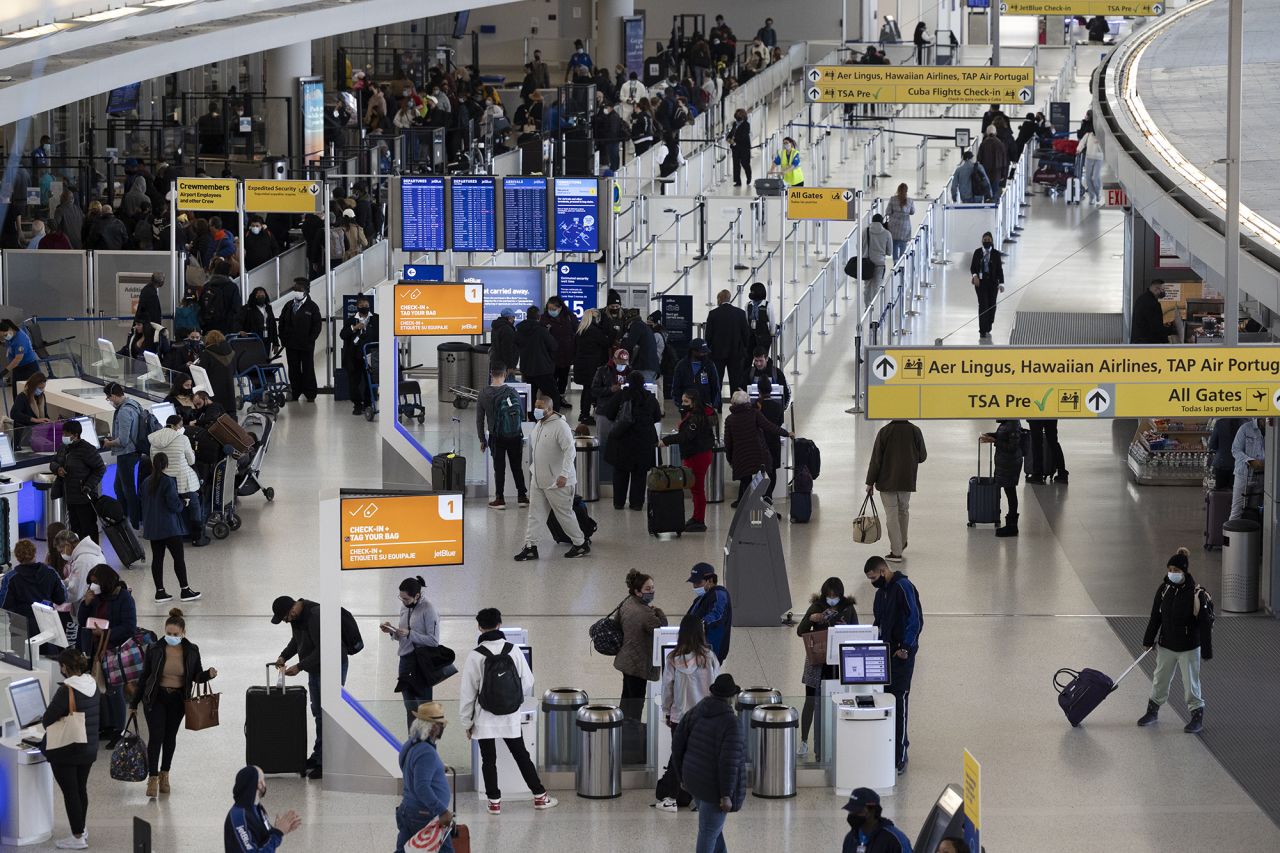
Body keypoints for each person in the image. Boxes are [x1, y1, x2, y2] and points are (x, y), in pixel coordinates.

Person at [459, 608, 558, 815]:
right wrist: (511, 700)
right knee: (521, 755)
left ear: (479, 627)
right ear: (499, 624)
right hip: (510, 717)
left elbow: (467, 693)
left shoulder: (475, 655)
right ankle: (540, 796)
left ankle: (494, 802)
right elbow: (528, 681)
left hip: (484, 718)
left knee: (488, 760)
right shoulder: (513, 650)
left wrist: (467, 724)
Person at [131, 607, 216, 798]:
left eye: (175, 634)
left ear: (183, 633)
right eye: (168, 633)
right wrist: (133, 703)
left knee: (170, 737)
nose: (171, 636)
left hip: (178, 700)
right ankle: (152, 778)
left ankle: (165, 773)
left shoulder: (192, 650)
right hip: (155, 697)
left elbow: (196, 676)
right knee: (156, 736)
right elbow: (144, 677)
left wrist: (208, 675)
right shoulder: (154, 648)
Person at [1136, 548, 1212, 734]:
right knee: (1160, 679)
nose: (1172, 573)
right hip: (1166, 644)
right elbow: (1156, 617)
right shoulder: (1164, 589)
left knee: (1191, 684)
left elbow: (1204, 624)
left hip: (1189, 647)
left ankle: (1196, 716)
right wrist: (1148, 639)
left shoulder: (1197, 594)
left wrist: (1207, 651)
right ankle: (1152, 711)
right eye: (1170, 569)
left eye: (1176, 570)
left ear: (1184, 571)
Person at [273, 595, 348, 779]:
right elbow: (296, 641)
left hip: (331, 667)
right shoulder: (297, 618)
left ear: (291, 611)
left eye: (284, 618)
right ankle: (319, 756)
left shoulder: (315, 616)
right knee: (318, 713)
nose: (285, 621)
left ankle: (328, 761)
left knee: (328, 715)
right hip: (315, 668)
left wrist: (299, 666)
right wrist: (284, 656)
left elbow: (324, 649)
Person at [670, 673, 747, 853]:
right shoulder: (731, 723)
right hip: (715, 789)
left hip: (694, 780)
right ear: (731, 697)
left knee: (712, 828)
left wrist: (682, 776)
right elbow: (729, 763)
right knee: (708, 831)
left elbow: (677, 743)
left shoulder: (697, 710)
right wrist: (726, 795)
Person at [863, 556, 923, 774]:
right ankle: (886, 749)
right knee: (884, 701)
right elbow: (878, 624)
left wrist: (906, 647)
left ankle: (900, 755)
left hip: (902, 657)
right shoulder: (881, 594)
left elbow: (915, 620)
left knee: (899, 701)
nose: (872, 582)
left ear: (882, 570)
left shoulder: (904, 587)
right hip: (884, 655)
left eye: (873, 577)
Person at [655, 613, 720, 811]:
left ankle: (670, 798)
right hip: (704, 717)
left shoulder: (674, 658)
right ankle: (702, 800)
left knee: (679, 758)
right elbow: (715, 686)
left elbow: (667, 688)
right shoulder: (709, 658)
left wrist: (667, 710)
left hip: (680, 717)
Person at [514, 393, 591, 560]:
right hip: (539, 478)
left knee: (564, 514)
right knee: (534, 514)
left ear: (550, 409)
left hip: (558, 481)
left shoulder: (560, 426)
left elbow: (570, 452)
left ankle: (580, 544)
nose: (536, 410)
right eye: (535, 406)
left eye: (540, 407)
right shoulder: (538, 425)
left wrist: (563, 474)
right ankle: (530, 546)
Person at [40, 648, 100, 850]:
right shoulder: (92, 684)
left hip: (69, 748)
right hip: (89, 747)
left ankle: (76, 837)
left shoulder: (67, 689)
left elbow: (47, 719)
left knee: (70, 793)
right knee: (80, 789)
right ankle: (82, 829)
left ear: (64, 667)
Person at [796, 578, 858, 758]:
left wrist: (846, 628)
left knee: (835, 701)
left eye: (835, 595)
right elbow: (801, 630)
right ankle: (804, 740)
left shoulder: (848, 608)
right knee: (810, 701)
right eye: (829, 595)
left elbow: (857, 630)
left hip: (837, 663)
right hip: (817, 661)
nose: (832, 598)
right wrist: (811, 618)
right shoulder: (817, 606)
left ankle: (833, 740)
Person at [78, 565, 137, 749]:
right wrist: (85, 604)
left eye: (95, 582)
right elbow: (82, 621)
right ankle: (107, 725)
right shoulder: (95, 598)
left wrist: (105, 632)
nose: (92, 586)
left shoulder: (124, 597)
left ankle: (119, 730)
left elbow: (129, 627)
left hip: (114, 650)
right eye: (91, 583)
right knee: (101, 689)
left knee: (114, 690)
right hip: (96, 650)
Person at [140, 452, 201, 603]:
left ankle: (160, 592)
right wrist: (184, 503)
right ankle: (185, 590)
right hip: (169, 527)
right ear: (166, 465)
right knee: (178, 558)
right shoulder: (167, 481)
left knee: (157, 559)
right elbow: (173, 505)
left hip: (153, 527)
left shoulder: (145, 482)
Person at [865, 419, 928, 561]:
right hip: (907, 479)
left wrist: (870, 482)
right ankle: (902, 541)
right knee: (903, 510)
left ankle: (896, 551)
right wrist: (909, 459)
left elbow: (876, 460)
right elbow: (922, 456)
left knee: (891, 515)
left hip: (887, 481)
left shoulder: (885, 432)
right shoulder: (915, 430)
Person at [599, 372, 662, 511]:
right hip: (644, 441)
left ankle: (619, 502)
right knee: (639, 474)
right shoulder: (650, 398)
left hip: (622, 440)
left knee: (620, 473)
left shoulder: (622, 395)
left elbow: (609, 412)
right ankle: (636, 503)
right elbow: (657, 417)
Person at [383, 576, 440, 728]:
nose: (403, 602)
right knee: (409, 707)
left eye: (406, 599)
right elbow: (403, 635)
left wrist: (409, 634)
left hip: (421, 662)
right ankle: (413, 744)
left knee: (424, 708)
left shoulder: (428, 609)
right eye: (401, 598)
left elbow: (434, 641)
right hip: (405, 660)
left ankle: (427, 746)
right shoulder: (404, 607)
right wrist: (392, 631)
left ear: (417, 595)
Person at [395, 702, 454, 851]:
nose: (443, 729)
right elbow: (421, 787)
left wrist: (438, 767)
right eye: (442, 725)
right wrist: (442, 811)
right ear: (434, 727)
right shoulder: (426, 752)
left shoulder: (411, 744)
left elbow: (407, 767)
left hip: (407, 810)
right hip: (423, 815)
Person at [614, 569, 668, 720]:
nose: (652, 591)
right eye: (648, 589)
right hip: (639, 664)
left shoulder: (627, 602)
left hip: (626, 659)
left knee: (626, 696)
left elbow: (617, 622)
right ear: (638, 592)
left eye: (653, 587)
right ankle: (632, 732)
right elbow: (661, 629)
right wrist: (659, 612)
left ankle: (621, 727)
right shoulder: (646, 613)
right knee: (637, 702)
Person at [661, 390, 716, 532]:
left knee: (697, 489)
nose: (683, 404)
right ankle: (697, 517)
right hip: (696, 454)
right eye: (683, 401)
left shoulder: (696, 418)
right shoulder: (695, 415)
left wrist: (666, 441)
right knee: (695, 488)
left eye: (686, 401)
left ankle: (699, 520)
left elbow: (685, 436)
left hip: (698, 456)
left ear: (694, 402)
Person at [477, 362, 529, 509]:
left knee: (499, 468)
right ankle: (522, 497)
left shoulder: (483, 393)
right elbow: (522, 415)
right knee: (517, 467)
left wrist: (482, 439)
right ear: (505, 375)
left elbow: (479, 419)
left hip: (496, 436)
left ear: (491, 375)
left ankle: (500, 499)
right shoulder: (512, 391)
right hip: (515, 436)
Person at [723, 390, 789, 507]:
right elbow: (770, 427)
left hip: (741, 457)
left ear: (733, 403)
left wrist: (730, 459)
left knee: (745, 481)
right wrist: (787, 433)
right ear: (748, 401)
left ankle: (744, 504)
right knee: (766, 477)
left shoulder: (730, 420)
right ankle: (765, 501)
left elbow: (728, 443)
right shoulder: (754, 413)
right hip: (759, 455)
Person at [51, 418, 105, 543]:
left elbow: (100, 468)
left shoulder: (87, 449)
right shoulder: (64, 448)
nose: (63, 436)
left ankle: (93, 556)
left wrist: (88, 486)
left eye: (66, 434)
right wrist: (57, 468)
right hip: (69, 496)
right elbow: (53, 462)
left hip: (84, 497)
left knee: (88, 529)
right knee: (75, 530)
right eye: (63, 433)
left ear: (75, 435)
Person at [224, 765, 302, 851]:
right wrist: (278, 833)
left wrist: (281, 829)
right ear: (259, 785)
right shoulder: (239, 817)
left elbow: (264, 840)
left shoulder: (258, 808)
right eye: (263, 780)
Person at [1, 539, 66, 638]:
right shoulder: (50, 572)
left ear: (17, 557)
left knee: (20, 653)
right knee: (48, 653)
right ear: (35, 553)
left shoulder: (10, 578)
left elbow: (4, 605)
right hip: (47, 623)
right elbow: (61, 598)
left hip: (20, 626)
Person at [279, 279, 323, 402]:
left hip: (306, 345)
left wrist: (310, 340)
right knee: (293, 369)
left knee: (308, 368)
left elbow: (317, 326)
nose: (296, 292)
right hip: (291, 344)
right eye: (295, 289)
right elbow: (281, 323)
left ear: (306, 291)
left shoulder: (312, 306)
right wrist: (283, 339)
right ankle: (295, 392)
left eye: (299, 290)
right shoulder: (288, 305)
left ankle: (310, 394)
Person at [981, 419, 1024, 537]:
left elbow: (1012, 447)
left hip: (1010, 463)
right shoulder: (1007, 422)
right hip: (1006, 462)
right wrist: (992, 435)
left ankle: (1012, 526)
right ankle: (1011, 524)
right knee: (1009, 490)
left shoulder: (1013, 423)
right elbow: (1004, 437)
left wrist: (994, 440)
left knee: (1010, 491)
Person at [515, 306, 563, 409]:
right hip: (543, 369)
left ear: (527, 316)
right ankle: (554, 416)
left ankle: (531, 419)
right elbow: (554, 346)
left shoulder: (519, 330)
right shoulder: (542, 330)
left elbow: (517, 345)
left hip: (526, 369)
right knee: (553, 395)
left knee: (530, 396)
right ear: (538, 317)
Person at [841, 787, 914, 853]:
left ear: (872, 811)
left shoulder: (894, 840)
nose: (853, 815)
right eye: (851, 811)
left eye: (858, 811)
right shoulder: (850, 838)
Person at [573, 309, 614, 423]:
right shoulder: (594, 331)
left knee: (586, 389)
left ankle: (583, 414)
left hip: (581, 365)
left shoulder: (580, 330)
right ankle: (585, 415)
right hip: (591, 365)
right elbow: (607, 343)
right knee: (589, 390)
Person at [705, 291, 752, 393]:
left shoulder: (713, 314)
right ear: (729, 298)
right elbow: (746, 334)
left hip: (717, 354)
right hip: (736, 354)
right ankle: (736, 406)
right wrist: (744, 348)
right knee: (736, 382)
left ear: (719, 299)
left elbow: (708, 336)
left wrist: (708, 351)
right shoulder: (740, 313)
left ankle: (717, 407)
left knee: (717, 382)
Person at [339, 296, 379, 416]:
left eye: (366, 305)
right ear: (357, 307)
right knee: (353, 381)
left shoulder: (376, 319)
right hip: (353, 356)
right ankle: (357, 404)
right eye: (361, 306)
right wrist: (354, 328)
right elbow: (343, 335)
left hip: (371, 355)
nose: (364, 308)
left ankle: (368, 403)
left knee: (370, 380)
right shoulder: (351, 320)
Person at [686, 564, 732, 663]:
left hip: (710, 652)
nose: (695, 586)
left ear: (710, 580)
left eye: (698, 582)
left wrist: (700, 624)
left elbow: (717, 615)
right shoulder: (701, 599)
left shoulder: (720, 593)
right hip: (696, 651)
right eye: (693, 583)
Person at [541, 297, 577, 404]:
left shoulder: (569, 317)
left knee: (563, 378)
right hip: (551, 356)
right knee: (551, 379)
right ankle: (551, 399)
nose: (551, 311)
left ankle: (560, 397)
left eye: (553, 308)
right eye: (549, 308)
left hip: (566, 355)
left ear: (560, 308)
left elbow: (577, 331)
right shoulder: (544, 319)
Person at [970, 231, 1005, 341]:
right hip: (980, 283)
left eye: (988, 240)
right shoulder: (977, 253)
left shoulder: (996, 254)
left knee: (992, 305)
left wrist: (1001, 283)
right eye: (985, 240)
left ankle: (989, 324)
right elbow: (972, 267)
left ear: (992, 241)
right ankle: (982, 330)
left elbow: (999, 269)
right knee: (983, 305)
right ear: (982, 241)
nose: (986, 242)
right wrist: (975, 276)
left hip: (993, 283)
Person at [671, 338, 723, 411]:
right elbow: (676, 387)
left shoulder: (709, 365)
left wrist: (714, 404)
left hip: (705, 405)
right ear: (693, 351)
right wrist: (680, 404)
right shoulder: (681, 365)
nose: (705, 354)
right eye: (702, 352)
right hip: (687, 406)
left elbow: (715, 385)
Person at [1230, 417, 1265, 520]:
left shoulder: (1274, 430)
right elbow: (1235, 449)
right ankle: (1232, 536)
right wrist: (1250, 460)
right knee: (1237, 510)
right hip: (1244, 475)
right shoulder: (1245, 428)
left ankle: (1251, 535)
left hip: (1263, 476)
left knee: (1254, 510)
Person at [197, 330, 239, 416]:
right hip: (229, 391)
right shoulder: (231, 352)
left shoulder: (207, 353)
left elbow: (201, 371)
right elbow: (234, 370)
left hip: (214, 391)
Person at [55, 528, 101, 604]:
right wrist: (61, 583)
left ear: (68, 545)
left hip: (89, 603)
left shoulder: (83, 561)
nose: (62, 554)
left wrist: (54, 595)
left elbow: (74, 593)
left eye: (61, 551)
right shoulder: (89, 550)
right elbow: (73, 579)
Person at [756, 378, 785, 499]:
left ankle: (762, 497)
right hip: (774, 443)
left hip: (760, 444)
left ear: (758, 390)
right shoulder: (778, 406)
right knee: (772, 472)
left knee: (762, 472)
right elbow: (780, 422)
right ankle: (769, 497)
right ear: (771, 389)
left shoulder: (756, 406)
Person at [10, 371, 52, 449]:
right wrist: (34, 420)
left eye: (43, 388)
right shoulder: (22, 397)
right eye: (40, 388)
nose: (42, 390)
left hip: (37, 435)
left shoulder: (42, 396)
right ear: (33, 386)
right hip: (23, 436)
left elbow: (44, 414)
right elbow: (14, 414)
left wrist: (48, 421)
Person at [0, 318, 40, 393]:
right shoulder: (11, 335)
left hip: (29, 368)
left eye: (5, 335)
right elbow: (8, 344)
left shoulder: (20, 339)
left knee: (30, 394)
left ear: (10, 329)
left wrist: (4, 372)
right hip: (18, 368)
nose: (5, 338)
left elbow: (18, 359)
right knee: (16, 393)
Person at [1130, 279, 1174, 344]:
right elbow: (1156, 329)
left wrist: (1165, 326)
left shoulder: (1143, 298)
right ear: (1156, 289)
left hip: (1140, 341)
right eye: (1163, 289)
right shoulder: (1152, 304)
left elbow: (1150, 322)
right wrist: (1173, 329)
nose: (1164, 292)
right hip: (1147, 344)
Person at [862, 213, 893, 304]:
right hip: (879, 264)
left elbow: (859, 246)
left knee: (867, 286)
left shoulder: (865, 231)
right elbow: (889, 252)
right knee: (876, 286)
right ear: (882, 222)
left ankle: (867, 306)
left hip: (866, 263)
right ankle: (873, 306)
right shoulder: (887, 233)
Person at [1026, 419, 1068, 485]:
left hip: (1036, 414)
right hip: (1050, 413)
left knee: (1037, 443)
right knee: (1053, 442)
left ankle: (1037, 475)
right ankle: (1062, 473)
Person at [1207, 417, 1244, 491]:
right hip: (1240, 464)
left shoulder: (1220, 423)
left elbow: (1212, 445)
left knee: (1221, 494)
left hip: (1222, 463)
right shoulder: (1245, 422)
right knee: (1237, 493)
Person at [241, 287, 279, 353]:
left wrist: (276, 343)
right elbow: (238, 321)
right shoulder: (247, 308)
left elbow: (273, 325)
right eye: (258, 295)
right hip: (252, 340)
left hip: (266, 340)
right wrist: (240, 331)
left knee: (265, 360)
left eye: (263, 295)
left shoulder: (268, 308)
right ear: (254, 296)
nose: (261, 297)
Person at [884, 183, 915, 262]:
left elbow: (887, 212)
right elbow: (912, 212)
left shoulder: (893, 199)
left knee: (894, 247)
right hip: (905, 228)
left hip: (893, 227)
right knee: (903, 247)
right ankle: (901, 264)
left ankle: (895, 264)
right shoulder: (910, 201)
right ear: (906, 191)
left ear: (898, 190)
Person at [977, 126, 1009, 198]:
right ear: (996, 132)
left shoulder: (983, 143)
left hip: (986, 169)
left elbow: (979, 158)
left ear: (987, 133)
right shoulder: (1000, 143)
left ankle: (987, 203)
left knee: (987, 188)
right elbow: (1004, 160)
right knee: (995, 189)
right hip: (997, 170)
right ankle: (994, 204)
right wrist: (1004, 174)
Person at [489, 307, 519, 378]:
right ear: (509, 318)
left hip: (496, 362)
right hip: (504, 366)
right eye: (513, 317)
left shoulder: (496, 327)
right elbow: (507, 349)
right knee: (506, 386)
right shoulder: (507, 329)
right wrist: (510, 366)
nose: (514, 319)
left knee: (497, 385)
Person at [1078, 129, 1105, 205]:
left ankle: (1098, 193)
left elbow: (1103, 148)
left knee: (1095, 177)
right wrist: (1078, 149)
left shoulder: (1102, 135)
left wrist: (1098, 142)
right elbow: (1082, 142)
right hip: (1089, 158)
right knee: (1088, 178)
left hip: (1099, 158)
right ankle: (1092, 197)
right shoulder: (1088, 135)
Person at [727, 109, 752, 187]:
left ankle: (749, 177)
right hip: (735, 148)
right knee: (736, 165)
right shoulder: (735, 124)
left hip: (744, 147)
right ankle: (738, 181)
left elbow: (743, 136)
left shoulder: (746, 125)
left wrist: (734, 141)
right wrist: (729, 138)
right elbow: (732, 133)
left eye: (739, 116)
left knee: (745, 163)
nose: (737, 118)